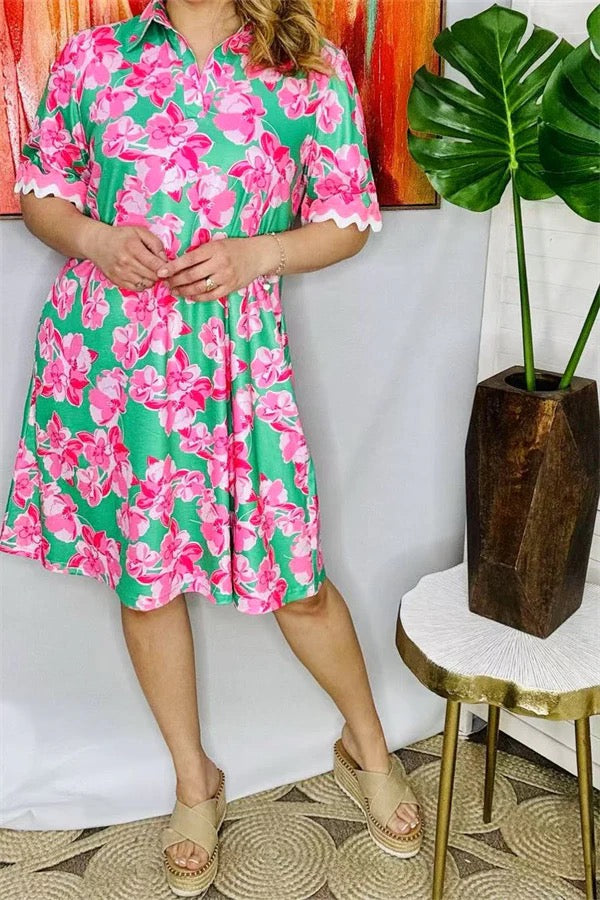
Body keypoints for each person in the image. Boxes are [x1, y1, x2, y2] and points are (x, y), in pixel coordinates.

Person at [0, 0, 422, 893]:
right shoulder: (93, 59)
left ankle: (369, 748)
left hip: (238, 365)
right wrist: (94, 238)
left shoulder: (306, 67)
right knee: (145, 580)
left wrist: (258, 256)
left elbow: (349, 216)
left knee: (297, 581)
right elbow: (43, 191)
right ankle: (195, 782)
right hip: (111, 362)